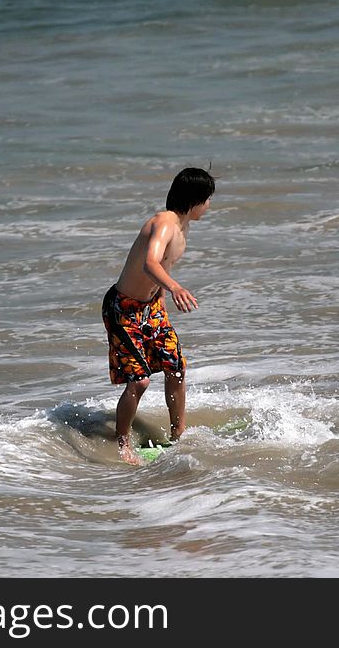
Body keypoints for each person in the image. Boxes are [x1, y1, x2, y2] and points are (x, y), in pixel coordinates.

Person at [101, 167, 215, 464]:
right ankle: (122, 443)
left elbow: (164, 265)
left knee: (175, 366)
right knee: (139, 382)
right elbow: (150, 264)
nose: (210, 205)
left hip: (150, 308)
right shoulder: (164, 224)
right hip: (123, 309)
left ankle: (179, 433)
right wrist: (176, 288)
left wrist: (161, 298)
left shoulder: (182, 226)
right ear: (196, 200)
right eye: (208, 199)